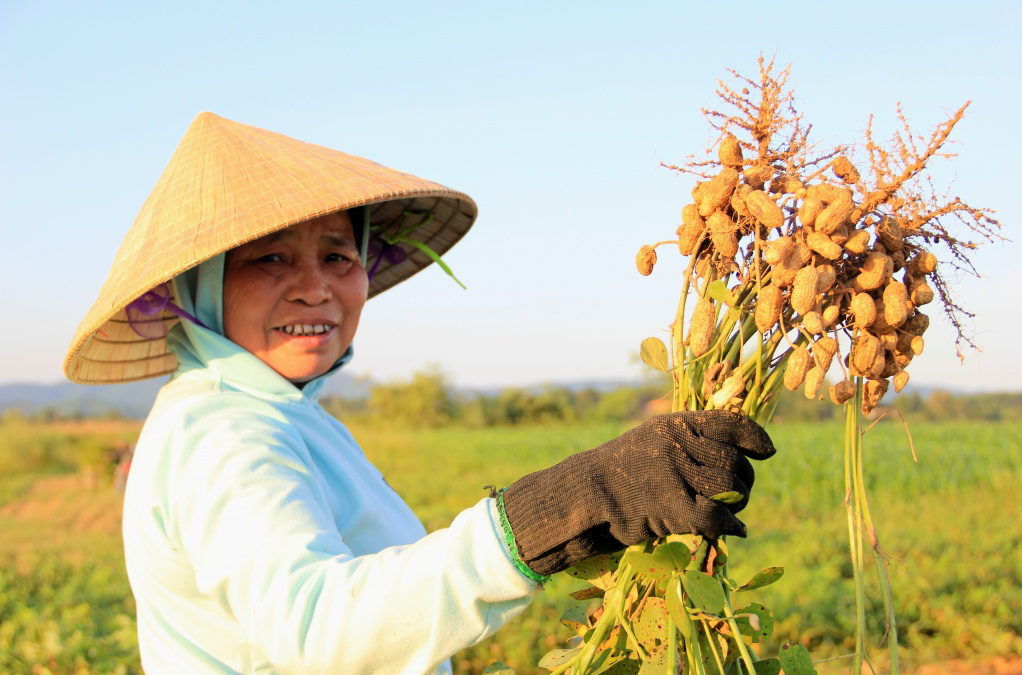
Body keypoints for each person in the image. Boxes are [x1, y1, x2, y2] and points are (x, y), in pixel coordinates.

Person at [64, 112, 775, 674]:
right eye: (270, 257)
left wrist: (587, 528)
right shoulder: (224, 432)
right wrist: (560, 507)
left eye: (338, 254)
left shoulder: (280, 409)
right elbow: (318, 627)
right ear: (202, 287)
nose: (315, 284)